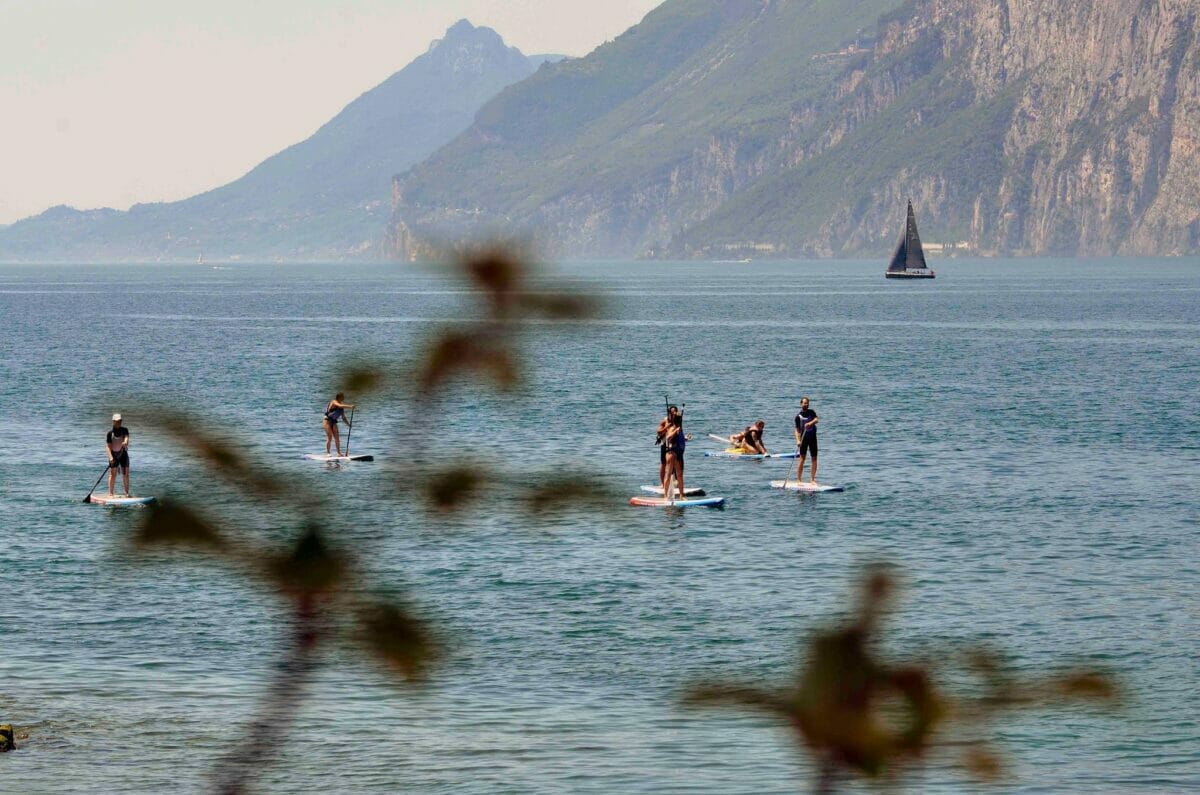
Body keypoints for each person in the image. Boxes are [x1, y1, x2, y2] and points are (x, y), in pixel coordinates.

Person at [662, 412, 689, 499]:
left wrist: (685, 438)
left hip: (679, 453)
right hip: (671, 453)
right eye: (679, 420)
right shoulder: (673, 428)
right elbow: (668, 438)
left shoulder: (680, 429)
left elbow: (679, 439)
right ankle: (665, 496)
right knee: (668, 474)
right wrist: (675, 432)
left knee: (680, 475)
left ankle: (681, 495)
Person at [793, 396, 819, 482]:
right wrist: (797, 440)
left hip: (812, 438)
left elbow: (816, 420)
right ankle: (799, 479)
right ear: (801, 404)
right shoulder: (798, 416)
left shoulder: (811, 412)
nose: (806, 404)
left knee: (814, 458)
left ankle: (812, 479)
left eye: (807, 403)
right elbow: (796, 430)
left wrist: (810, 423)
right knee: (802, 458)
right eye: (804, 403)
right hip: (803, 438)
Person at [656, 405, 681, 488]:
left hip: (675, 445)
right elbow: (658, 432)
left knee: (676, 463)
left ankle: (676, 483)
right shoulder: (665, 420)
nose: (673, 413)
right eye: (672, 412)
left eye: (675, 411)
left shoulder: (678, 421)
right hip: (664, 444)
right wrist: (666, 427)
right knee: (664, 463)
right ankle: (663, 484)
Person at [106, 413, 131, 496]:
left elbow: (127, 438)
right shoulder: (110, 433)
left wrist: (125, 442)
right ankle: (110, 493)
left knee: (126, 474)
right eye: (117, 421)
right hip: (113, 455)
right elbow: (108, 447)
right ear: (113, 421)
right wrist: (111, 458)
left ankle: (126, 493)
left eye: (120, 421)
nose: (119, 422)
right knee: (113, 474)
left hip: (123, 454)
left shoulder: (125, 430)